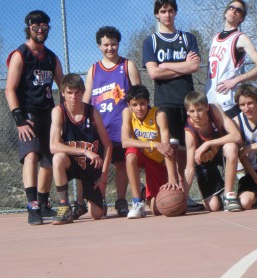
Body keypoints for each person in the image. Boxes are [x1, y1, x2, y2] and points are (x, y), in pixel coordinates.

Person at [142, 0, 204, 212]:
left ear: (175, 13)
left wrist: (167, 65)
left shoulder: (188, 38)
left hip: (187, 101)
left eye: (170, 10)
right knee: (172, 150)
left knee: (187, 151)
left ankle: (185, 195)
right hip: (165, 102)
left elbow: (194, 65)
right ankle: (175, 190)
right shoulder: (150, 42)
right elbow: (153, 73)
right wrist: (183, 67)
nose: (167, 14)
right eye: (162, 11)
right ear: (157, 15)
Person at [5, 10, 63, 225]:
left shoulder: (51, 57)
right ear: (29, 28)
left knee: (49, 161)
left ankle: (44, 202)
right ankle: (32, 205)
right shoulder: (21, 54)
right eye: (36, 26)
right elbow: (10, 89)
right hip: (28, 114)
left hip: (48, 114)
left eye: (44, 26)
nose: (40, 30)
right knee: (31, 156)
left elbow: (63, 85)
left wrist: (66, 110)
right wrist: (18, 118)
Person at [81, 26, 141, 218]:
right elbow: (87, 97)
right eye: (106, 45)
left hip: (121, 126)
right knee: (99, 165)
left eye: (113, 44)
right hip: (100, 128)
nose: (110, 48)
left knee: (122, 164)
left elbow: (138, 95)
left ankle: (122, 200)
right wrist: (81, 121)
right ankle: (101, 199)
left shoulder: (127, 65)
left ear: (118, 44)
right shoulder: (93, 69)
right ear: (99, 46)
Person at [49, 74, 113, 225]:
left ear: (83, 92)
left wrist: (103, 178)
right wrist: (84, 151)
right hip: (72, 164)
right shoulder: (59, 112)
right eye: (69, 93)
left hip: (90, 168)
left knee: (97, 215)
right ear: (63, 93)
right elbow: (53, 146)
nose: (74, 97)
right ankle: (64, 206)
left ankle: (85, 204)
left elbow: (108, 145)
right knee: (57, 158)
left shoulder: (92, 112)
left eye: (77, 92)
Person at [121, 85, 180, 218]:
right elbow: (125, 141)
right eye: (135, 104)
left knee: (158, 208)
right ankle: (137, 202)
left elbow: (166, 149)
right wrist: (154, 144)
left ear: (148, 102)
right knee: (130, 156)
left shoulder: (159, 115)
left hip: (156, 160)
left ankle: (144, 193)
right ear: (129, 105)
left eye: (142, 104)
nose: (139, 108)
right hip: (141, 154)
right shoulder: (127, 113)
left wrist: (172, 179)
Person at [205, 0, 257, 119]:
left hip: (227, 102)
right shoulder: (214, 38)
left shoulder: (240, 38)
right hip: (210, 99)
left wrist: (236, 80)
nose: (233, 10)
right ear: (225, 12)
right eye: (231, 7)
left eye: (238, 10)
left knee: (233, 137)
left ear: (242, 18)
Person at [184, 91, 242, 212]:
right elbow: (189, 168)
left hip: (221, 152)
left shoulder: (215, 110)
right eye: (192, 111)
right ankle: (219, 193)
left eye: (199, 110)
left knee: (231, 147)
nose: (196, 115)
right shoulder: (189, 132)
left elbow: (236, 136)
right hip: (205, 162)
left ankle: (229, 196)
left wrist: (208, 143)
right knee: (213, 207)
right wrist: (182, 198)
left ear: (207, 107)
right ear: (187, 112)